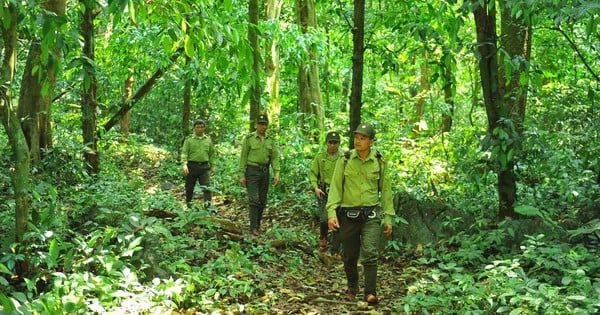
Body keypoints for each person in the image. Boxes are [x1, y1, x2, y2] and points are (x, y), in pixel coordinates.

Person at [326, 123, 394, 305]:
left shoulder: (379, 161)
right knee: (349, 254)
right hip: (348, 214)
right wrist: (331, 213)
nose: (358, 141)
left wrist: (388, 217)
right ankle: (352, 285)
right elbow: (335, 187)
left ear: (371, 142)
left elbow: (386, 191)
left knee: (370, 252)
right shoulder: (345, 159)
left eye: (363, 138)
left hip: (371, 214)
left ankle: (370, 292)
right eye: (357, 137)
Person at [239, 114, 281, 236]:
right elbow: (243, 157)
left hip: (264, 172)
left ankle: (257, 224)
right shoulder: (249, 139)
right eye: (261, 124)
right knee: (254, 199)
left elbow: (274, 157)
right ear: (256, 125)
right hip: (252, 171)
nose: (263, 126)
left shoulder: (270, 140)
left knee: (262, 200)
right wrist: (241, 174)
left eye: (265, 124)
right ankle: (253, 227)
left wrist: (277, 173)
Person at [309, 131, 342, 258]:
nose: (333, 145)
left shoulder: (343, 157)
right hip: (324, 191)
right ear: (326, 143)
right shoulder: (320, 157)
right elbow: (312, 173)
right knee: (324, 218)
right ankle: (323, 237)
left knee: (337, 219)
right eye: (330, 142)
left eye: (335, 143)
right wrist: (315, 187)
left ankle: (335, 249)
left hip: (339, 192)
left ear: (339, 144)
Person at [181, 119, 215, 209]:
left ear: (204, 128)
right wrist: (184, 164)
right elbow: (184, 152)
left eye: (201, 127)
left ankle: (208, 208)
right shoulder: (189, 140)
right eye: (197, 127)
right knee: (189, 187)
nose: (200, 129)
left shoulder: (208, 140)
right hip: (192, 166)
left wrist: (212, 166)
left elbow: (211, 154)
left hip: (204, 167)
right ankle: (189, 206)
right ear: (194, 129)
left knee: (207, 188)